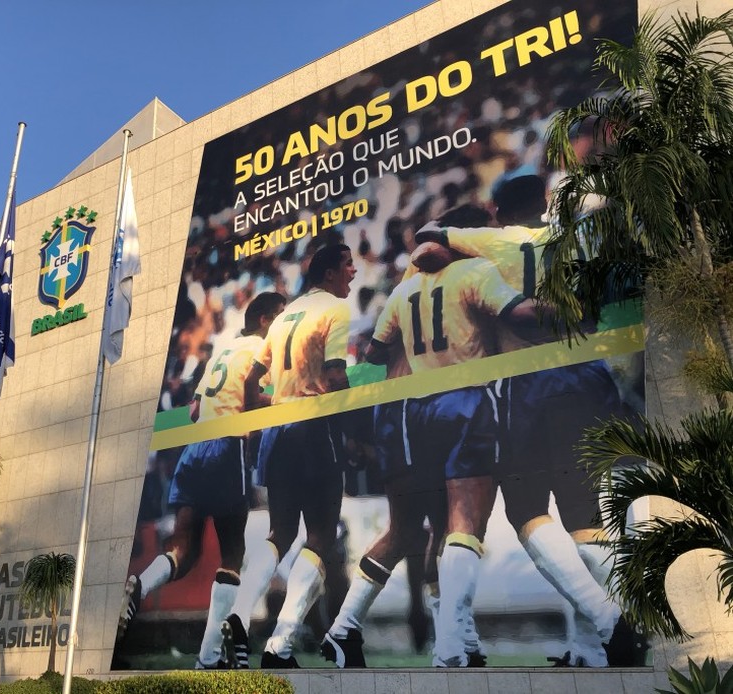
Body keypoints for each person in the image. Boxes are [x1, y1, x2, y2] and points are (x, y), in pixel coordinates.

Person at [416, 175, 637, 667]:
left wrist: (457, 255)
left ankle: (608, 621)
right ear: (545, 203)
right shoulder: (576, 239)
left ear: (497, 210)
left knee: (528, 512)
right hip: (590, 375)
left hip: (530, 384)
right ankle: (590, 649)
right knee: (585, 516)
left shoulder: (493, 241)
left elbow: (426, 240)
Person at [323, 241, 544, 668]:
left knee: (440, 529)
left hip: (408, 416)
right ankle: (361, 628)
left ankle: (456, 636)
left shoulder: (405, 292)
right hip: (416, 412)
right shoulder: (463, 280)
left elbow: (373, 353)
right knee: (433, 528)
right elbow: (380, 357)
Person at [114, 292, 286, 669]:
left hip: (193, 452)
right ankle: (207, 658)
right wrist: (280, 403)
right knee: (232, 555)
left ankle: (139, 585)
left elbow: (193, 410)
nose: (283, 323)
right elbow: (253, 395)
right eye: (279, 315)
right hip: (228, 448)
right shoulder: (265, 350)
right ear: (263, 320)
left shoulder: (222, 351)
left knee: (184, 551)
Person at [223, 243, 359, 669]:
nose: (354, 271)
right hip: (315, 429)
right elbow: (336, 375)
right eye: (349, 264)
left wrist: (278, 406)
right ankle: (279, 645)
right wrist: (355, 429)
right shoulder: (335, 310)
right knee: (320, 535)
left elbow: (250, 386)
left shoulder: (283, 317)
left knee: (278, 534)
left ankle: (238, 612)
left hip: (277, 434)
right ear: (332, 273)